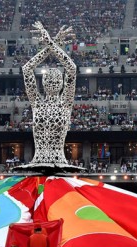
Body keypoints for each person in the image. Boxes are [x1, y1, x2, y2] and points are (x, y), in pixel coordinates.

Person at [21, 22, 77, 168]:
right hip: (37, 162)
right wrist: (53, 43)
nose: (52, 81)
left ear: (62, 83)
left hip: (60, 164)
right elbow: (26, 69)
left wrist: (51, 43)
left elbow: (71, 68)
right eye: (49, 79)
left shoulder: (65, 103)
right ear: (44, 83)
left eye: (56, 79)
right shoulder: (37, 103)